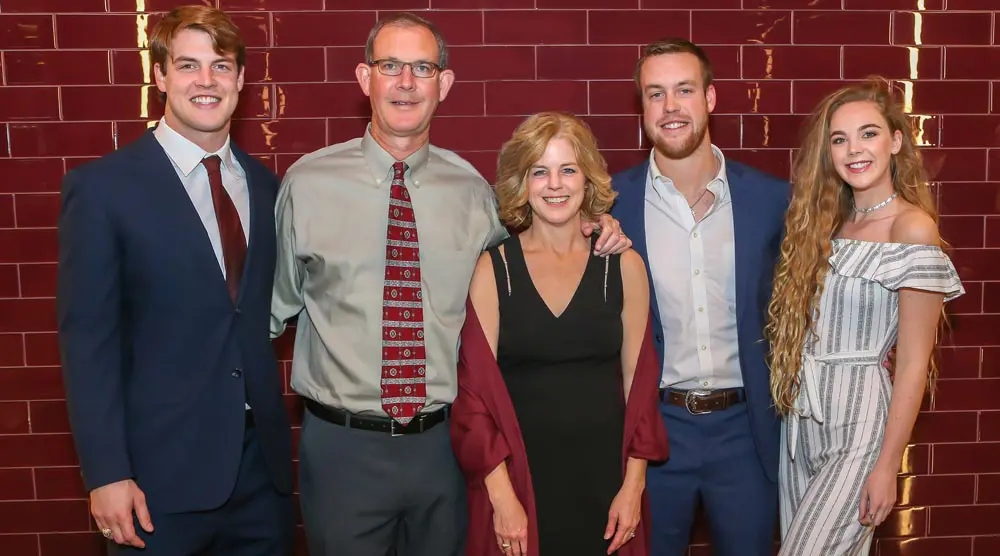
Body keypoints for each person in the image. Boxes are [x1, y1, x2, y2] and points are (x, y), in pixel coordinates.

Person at [268, 13, 629, 556]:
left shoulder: (473, 193)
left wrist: (593, 224)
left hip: (445, 448)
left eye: (422, 67)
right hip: (343, 449)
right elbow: (270, 312)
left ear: (445, 84)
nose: (406, 82)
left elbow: (529, 266)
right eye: (390, 66)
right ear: (365, 79)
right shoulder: (306, 184)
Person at [57, 5, 293, 555]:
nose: (205, 81)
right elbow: (87, 342)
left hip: (262, 483)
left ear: (240, 78)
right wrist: (106, 473)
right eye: (188, 65)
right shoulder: (103, 190)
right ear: (160, 76)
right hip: (153, 485)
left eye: (220, 65)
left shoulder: (267, 188)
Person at [451, 112, 669, 556]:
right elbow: (472, 399)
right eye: (540, 171)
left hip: (606, 487)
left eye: (568, 169)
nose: (555, 184)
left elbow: (641, 387)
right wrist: (502, 497)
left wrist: (633, 488)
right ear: (522, 182)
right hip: (521, 486)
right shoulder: (495, 270)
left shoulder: (623, 267)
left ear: (587, 180)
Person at [765, 78, 964, 556]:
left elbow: (915, 362)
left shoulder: (911, 228)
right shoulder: (825, 222)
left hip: (859, 426)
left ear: (895, 141)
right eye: (840, 139)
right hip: (802, 422)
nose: (854, 149)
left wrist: (887, 464)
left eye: (869, 133)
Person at [610, 39, 790, 556]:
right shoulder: (611, 205)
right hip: (654, 432)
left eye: (684, 91)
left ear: (710, 98)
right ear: (641, 106)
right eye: (655, 94)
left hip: (746, 431)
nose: (670, 107)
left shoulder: (770, 199)